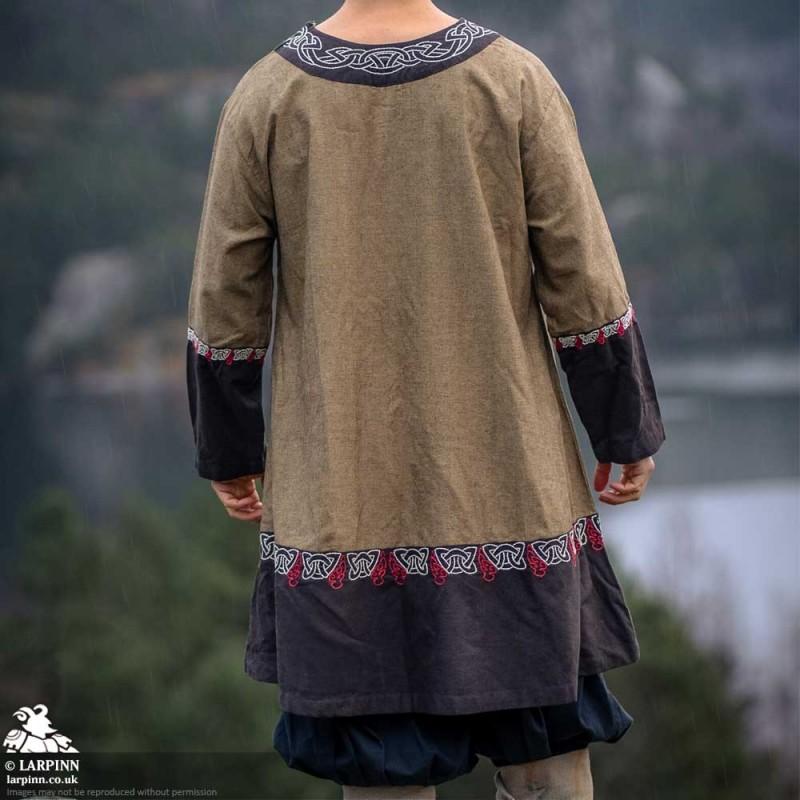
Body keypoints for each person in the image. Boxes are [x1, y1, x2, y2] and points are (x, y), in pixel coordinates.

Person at [185, 1, 666, 797]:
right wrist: (623, 425)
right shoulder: (512, 81)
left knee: (380, 763)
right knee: (546, 754)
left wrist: (229, 448)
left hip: (343, 508)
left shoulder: (267, 96)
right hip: (511, 493)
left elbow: (223, 298)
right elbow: (582, 273)